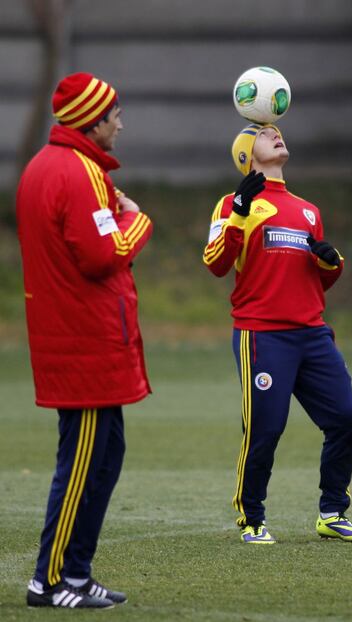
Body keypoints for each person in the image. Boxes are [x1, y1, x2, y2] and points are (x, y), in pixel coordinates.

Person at [16, 72, 153, 608]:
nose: (120, 122)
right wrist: (137, 221)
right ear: (93, 121)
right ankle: (47, 582)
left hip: (73, 339)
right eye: (114, 113)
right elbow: (102, 255)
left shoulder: (46, 166)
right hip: (85, 344)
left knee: (105, 454)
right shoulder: (79, 172)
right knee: (80, 465)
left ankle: (75, 573)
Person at [203, 122, 352, 545]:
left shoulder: (308, 210)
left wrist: (332, 264)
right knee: (265, 428)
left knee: (346, 419)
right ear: (247, 155)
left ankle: (332, 512)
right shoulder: (232, 203)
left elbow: (316, 282)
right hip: (263, 336)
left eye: (277, 131)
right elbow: (216, 262)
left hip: (313, 335)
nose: (276, 135)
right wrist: (239, 211)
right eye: (264, 134)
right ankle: (252, 518)